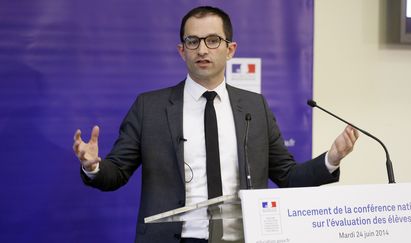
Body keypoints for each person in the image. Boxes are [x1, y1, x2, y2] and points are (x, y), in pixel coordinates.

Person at [73, 6, 359, 243]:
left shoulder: (254, 107)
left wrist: (330, 160)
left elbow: (287, 175)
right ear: (181, 50)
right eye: (192, 41)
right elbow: (117, 173)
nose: (202, 49)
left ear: (230, 49)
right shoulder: (150, 107)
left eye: (212, 40)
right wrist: (93, 166)